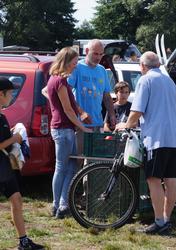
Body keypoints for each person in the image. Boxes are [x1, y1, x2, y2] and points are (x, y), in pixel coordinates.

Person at [116, 51, 176, 234]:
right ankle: (167, 220)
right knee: (170, 180)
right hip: (174, 137)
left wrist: (125, 125)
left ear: (142, 66)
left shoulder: (145, 80)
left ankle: (159, 221)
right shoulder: (169, 81)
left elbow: (136, 110)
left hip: (156, 137)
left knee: (153, 179)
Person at [43, 47, 92, 219]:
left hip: (63, 129)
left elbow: (68, 106)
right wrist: (83, 127)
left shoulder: (54, 79)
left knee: (70, 167)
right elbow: (68, 110)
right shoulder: (60, 82)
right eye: (73, 63)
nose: (75, 66)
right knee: (62, 167)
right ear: (65, 62)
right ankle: (57, 205)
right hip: (63, 129)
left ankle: (63, 204)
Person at [0, 77, 44, 250]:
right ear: (1, 94)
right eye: (10, 93)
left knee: (16, 200)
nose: (12, 96)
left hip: (4, 168)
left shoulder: (2, 116)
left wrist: (12, 134)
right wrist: (15, 138)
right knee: (16, 200)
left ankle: (23, 242)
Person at [67, 39, 116, 158]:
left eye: (101, 54)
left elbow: (106, 95)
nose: (98, 57)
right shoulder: (77, 68)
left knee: (94, 160)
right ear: (87, 51)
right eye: (95, 53)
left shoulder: (102, 70)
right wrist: (81, 112)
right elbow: (67, 93)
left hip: (97, 123)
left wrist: (112, 114)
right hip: (80, 123)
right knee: (79, 160)